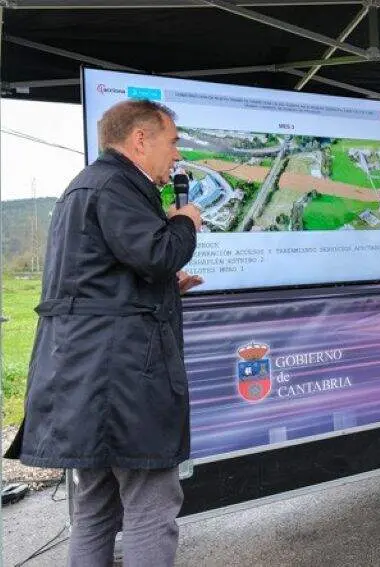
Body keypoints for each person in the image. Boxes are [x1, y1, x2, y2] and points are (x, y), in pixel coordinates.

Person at [5, 99, 203, 567]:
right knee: (151, 509)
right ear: (140, 139)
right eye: (172, 142)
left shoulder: (87, 187)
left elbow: (98, 281)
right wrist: (185, 223)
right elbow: (156, 253)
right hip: (123, 382)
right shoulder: (117, 185)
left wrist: (165, 288)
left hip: (84, 379)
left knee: (95, 509)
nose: (176, 156)